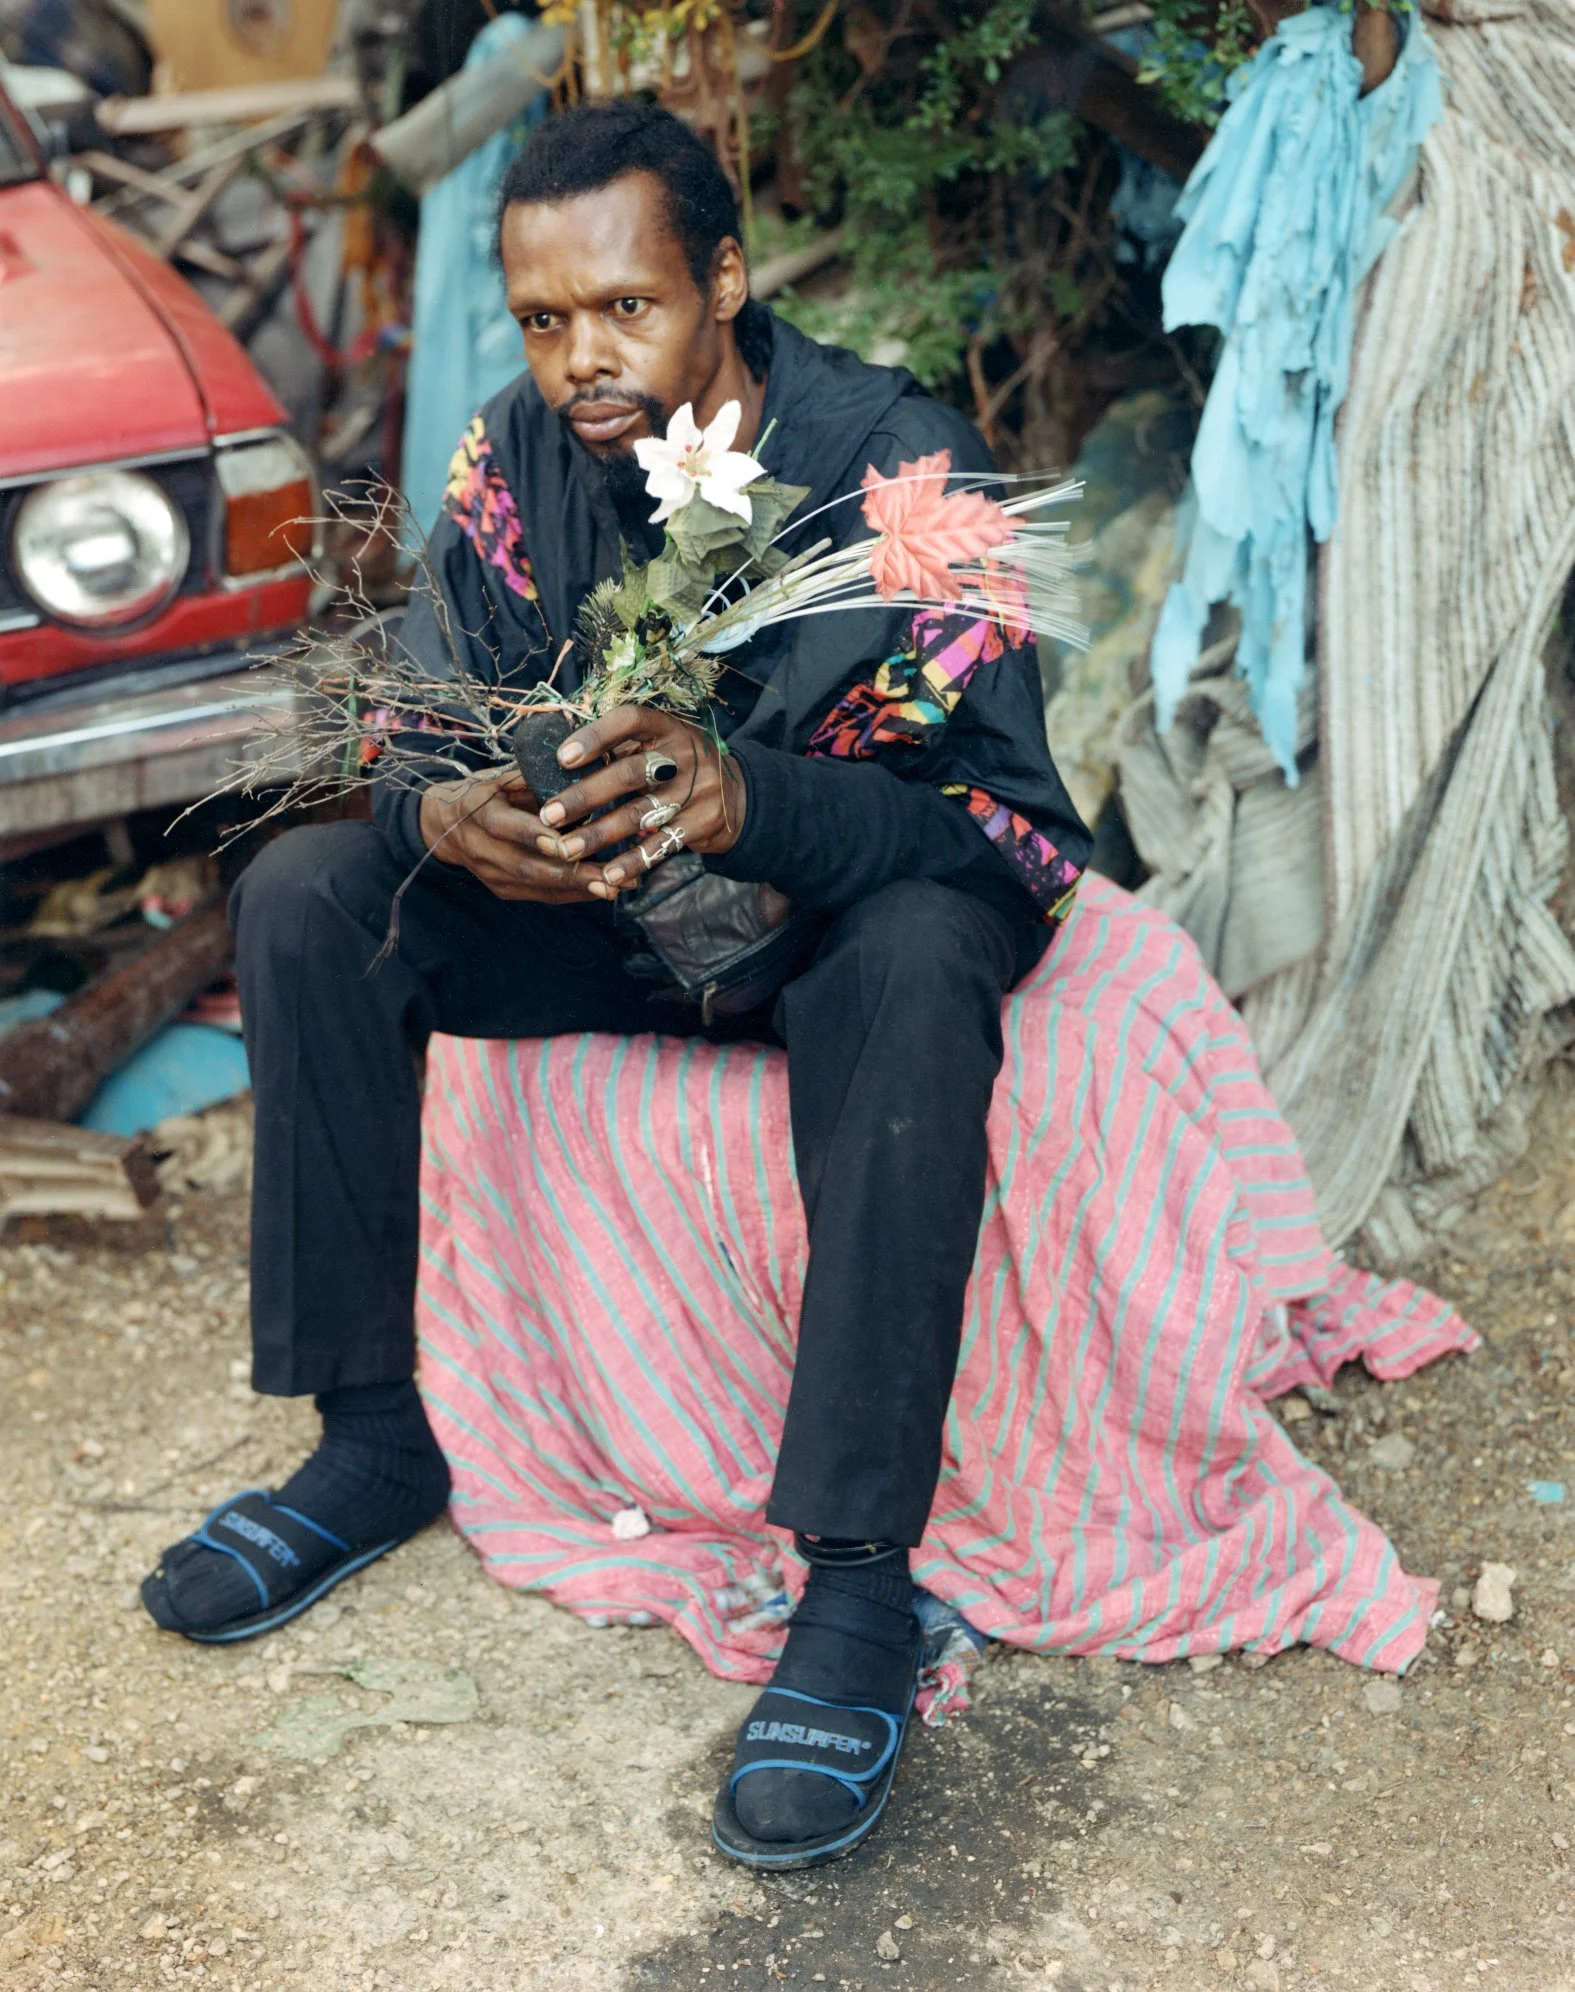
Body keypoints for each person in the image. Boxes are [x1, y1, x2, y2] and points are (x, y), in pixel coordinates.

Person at [140, 102, 1090, 1869]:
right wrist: (455, 813)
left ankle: (859, 1586)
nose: (582, 360)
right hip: (607, 927)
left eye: (627, 311)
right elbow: (422, 720)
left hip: (821, 933)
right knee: (305, 893)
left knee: (923, 952)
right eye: (544, 320)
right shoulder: (517, 459)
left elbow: (1011, 840)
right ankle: (373, 1438)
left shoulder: (905, 482)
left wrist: (764, 798)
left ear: (724, 278)